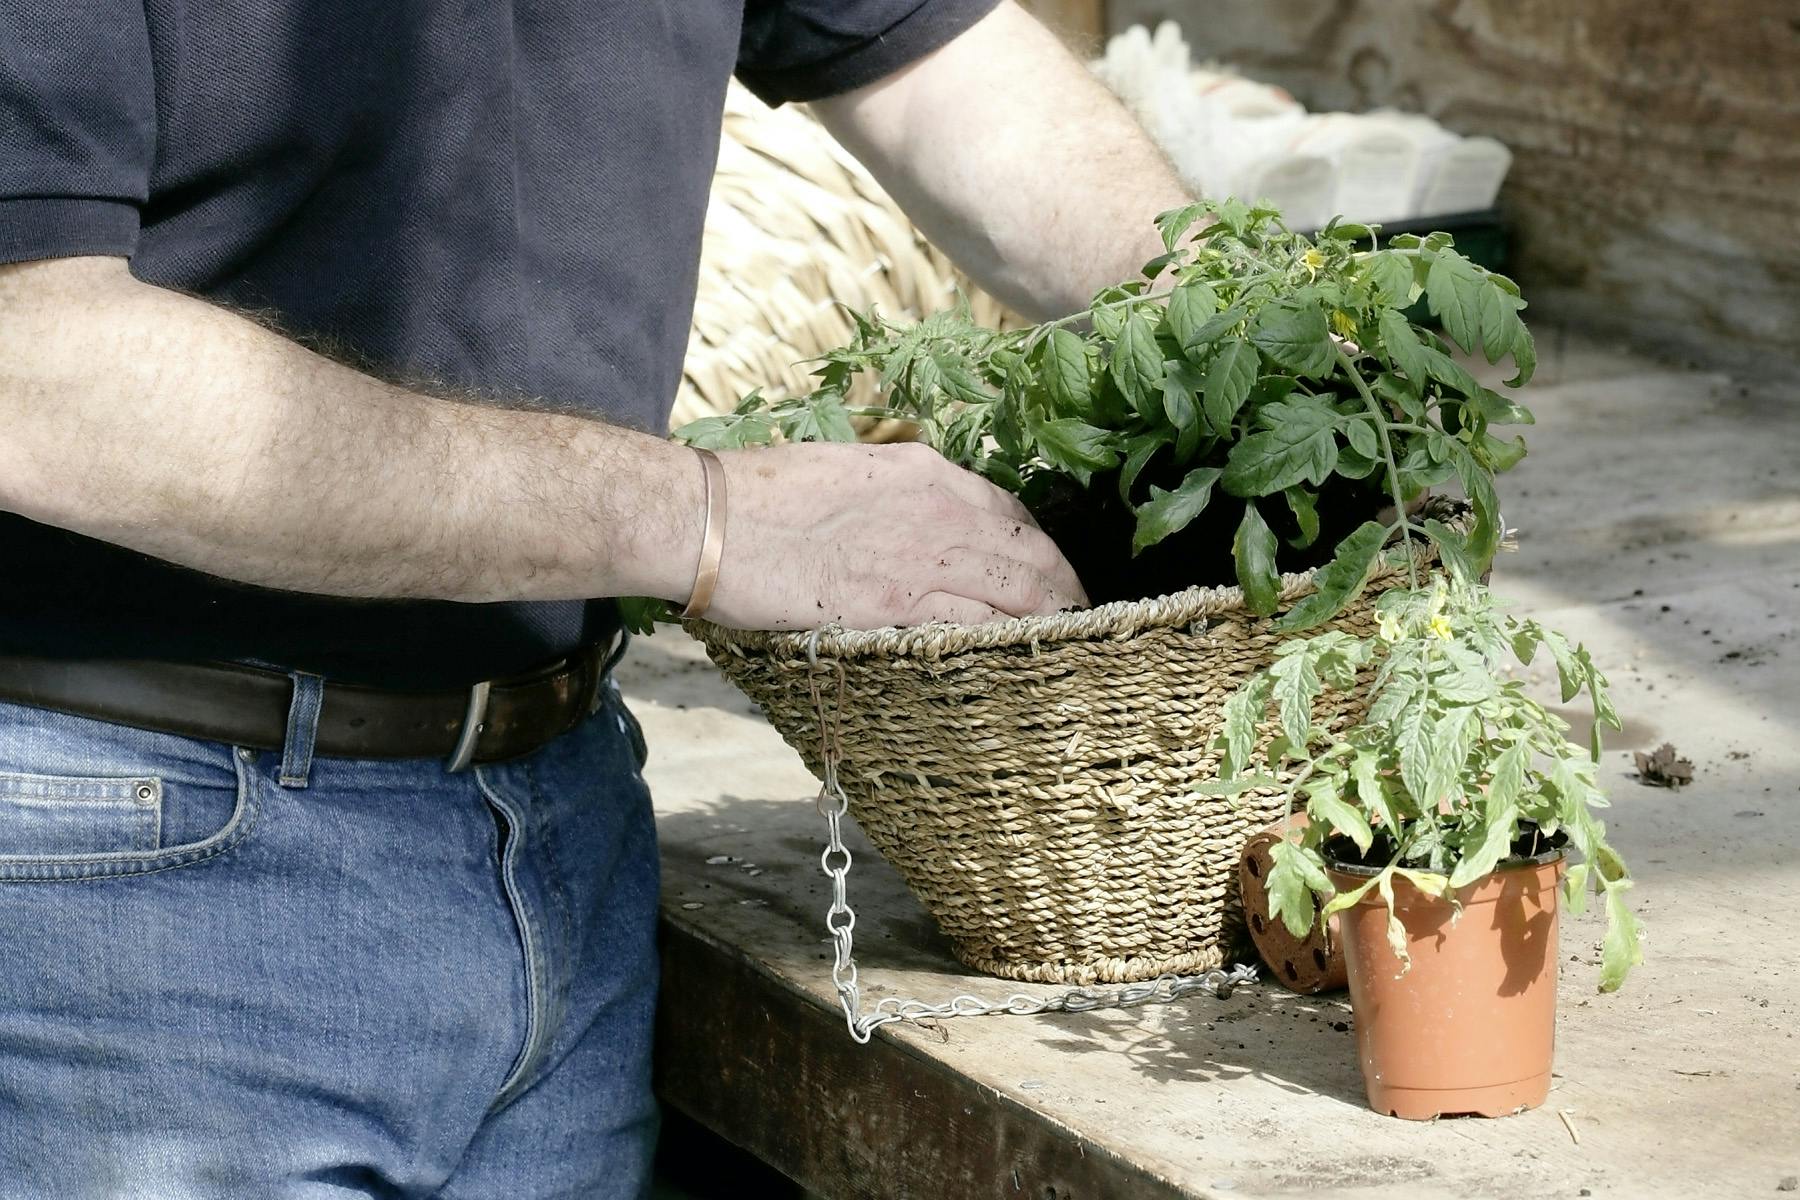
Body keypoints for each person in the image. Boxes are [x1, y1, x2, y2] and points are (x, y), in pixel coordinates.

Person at [0, 1, 1192, 1194]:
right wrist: (708, 519)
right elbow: (36, 369)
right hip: (141, 860)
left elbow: (943, 70)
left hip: (562, 806)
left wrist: (1274, 327)